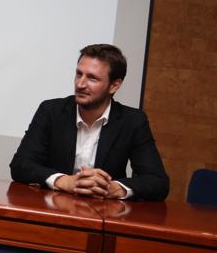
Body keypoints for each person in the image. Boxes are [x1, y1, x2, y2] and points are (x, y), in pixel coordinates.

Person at [10, 44, 169, 201]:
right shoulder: (51, 111)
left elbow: (158, 182)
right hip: (55, 209)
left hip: (104, 213)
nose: (80, 84)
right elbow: (20, 165)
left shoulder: (133, 121)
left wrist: (115, 188)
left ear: (114, 85)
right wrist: (63, 181)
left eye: (92, 78)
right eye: (79, 74)